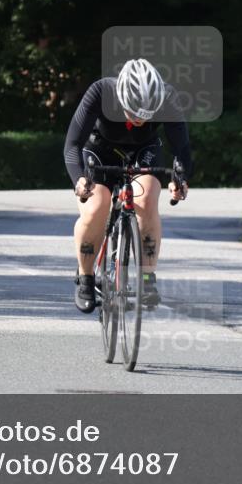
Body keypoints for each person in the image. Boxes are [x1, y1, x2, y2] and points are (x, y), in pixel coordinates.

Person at [64, 58, 192, 313]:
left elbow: (182, 147)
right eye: (133, 113)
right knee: (96, 208)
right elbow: (73, 145)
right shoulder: (101, 92)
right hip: (100, 148)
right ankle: (86, 278)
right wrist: (79, 179)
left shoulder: (166, 97)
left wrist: (180, 179)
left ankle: (147, 279)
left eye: (146, 115)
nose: (139, 121)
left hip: (143, 150)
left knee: (145, 202)